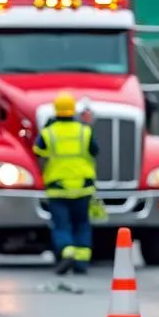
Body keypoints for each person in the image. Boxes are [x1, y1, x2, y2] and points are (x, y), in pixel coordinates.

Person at [32, 91, 99, 275]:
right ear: (73, 110)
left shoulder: (48, 133)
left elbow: (37, 151)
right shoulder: (84, 131)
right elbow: (95, 150)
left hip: (58, 188)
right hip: (83, 188)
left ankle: (67, 252)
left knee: (62, 225)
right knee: (82, 224)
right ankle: (81, 262)